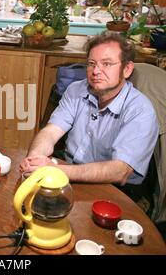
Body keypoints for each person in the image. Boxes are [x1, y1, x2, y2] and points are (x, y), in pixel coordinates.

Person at [20, 32, 159, 194]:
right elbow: (50, 132)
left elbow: (119, 171)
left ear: (127, 69)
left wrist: (54, 170)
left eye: (106, 64)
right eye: (92, 63)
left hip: (117, 189)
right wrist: (34, 160)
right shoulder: (75, 89)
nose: (96, 71)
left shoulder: (141, 111)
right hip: (71, 170)